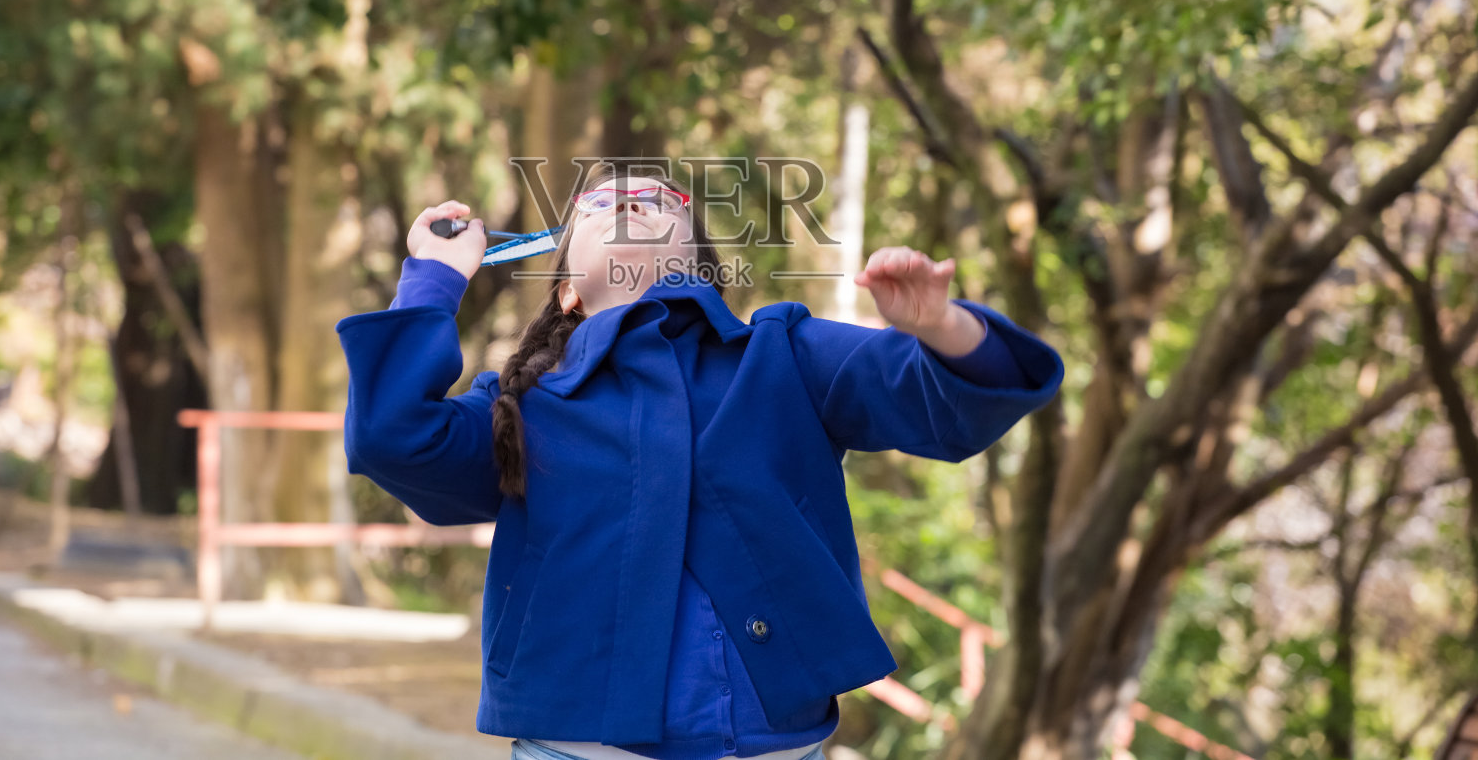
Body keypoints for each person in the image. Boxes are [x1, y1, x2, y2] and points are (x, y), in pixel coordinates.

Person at [337, 164, 1064, 760]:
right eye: (600, 204)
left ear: (697, 265)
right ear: (568, 292)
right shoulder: (521, 406)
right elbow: (392, 436)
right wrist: (433, 280)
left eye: (660, 199)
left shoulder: (787, 356)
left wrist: (941, 325)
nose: (632, 199)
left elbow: (951, 402)